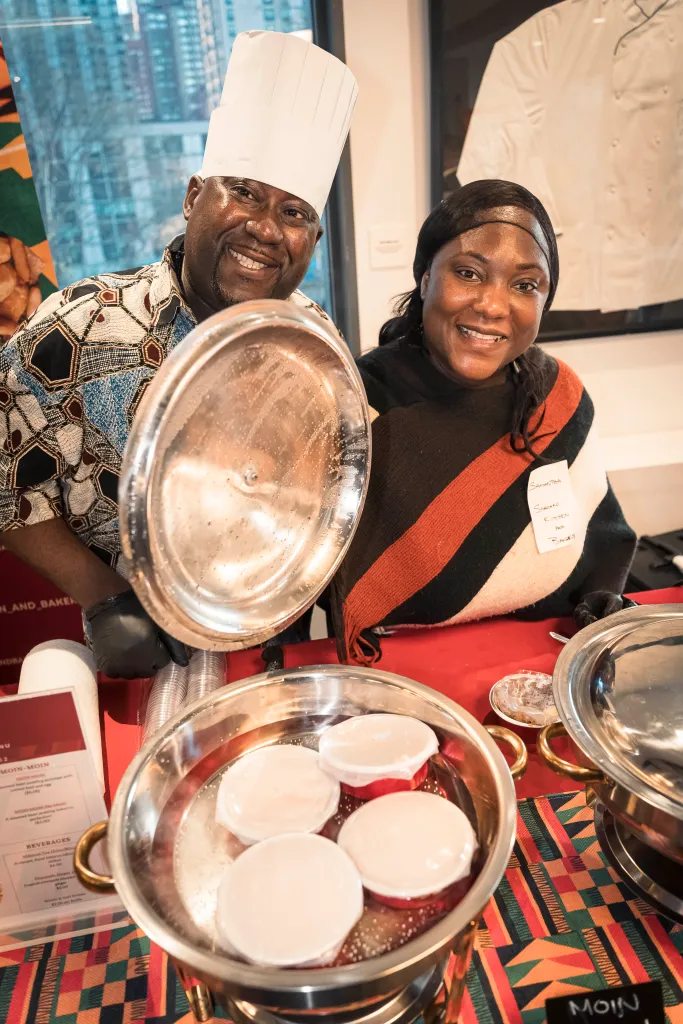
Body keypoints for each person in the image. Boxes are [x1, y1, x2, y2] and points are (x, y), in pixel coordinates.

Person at [0, 30, 357, 679]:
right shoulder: (78, 326)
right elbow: (5, 485)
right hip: (138, 640)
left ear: (314, 237)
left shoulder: (311, 344)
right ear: (194, 196)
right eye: (244, 192)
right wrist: (101, 594)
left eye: (293, 211)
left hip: (276, 631)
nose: (266, 228)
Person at [329, 179, 636, 666]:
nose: (493, 306)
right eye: (469, 273)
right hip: (395, 680)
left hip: (545, 669)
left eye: (524, 285)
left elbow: (601, 553)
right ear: (426, 278)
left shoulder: (559, 398)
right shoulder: (354, 405)